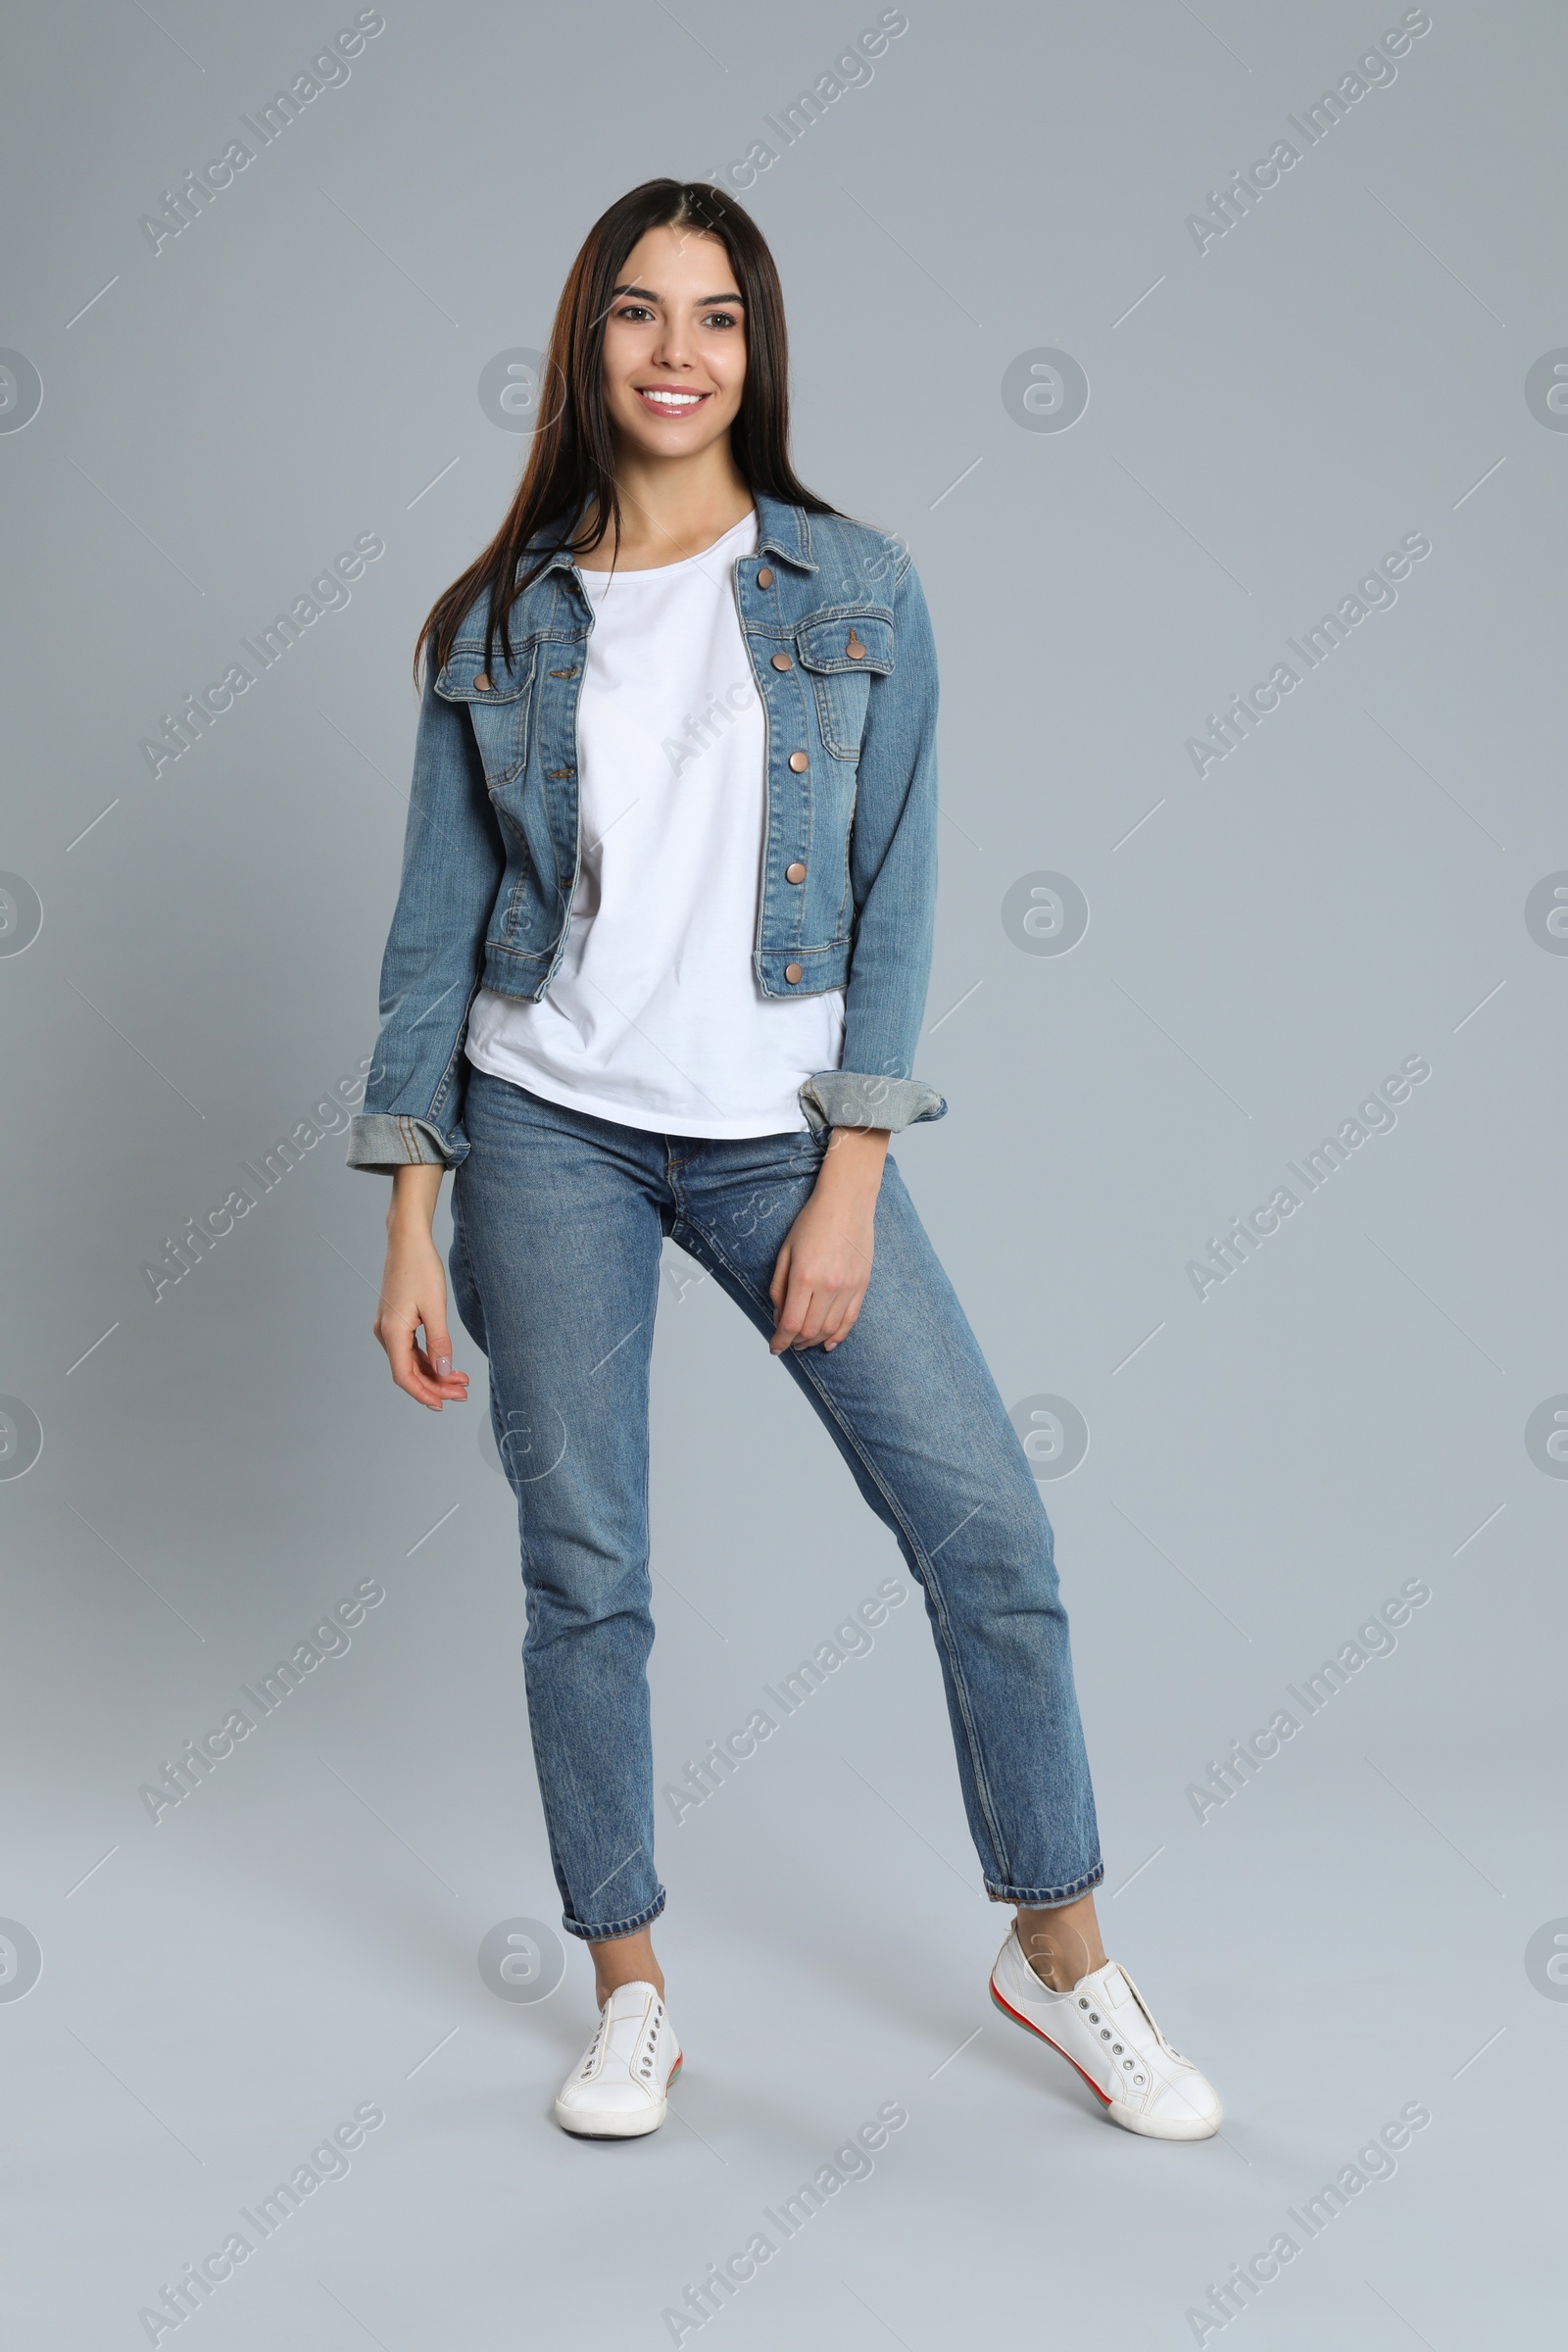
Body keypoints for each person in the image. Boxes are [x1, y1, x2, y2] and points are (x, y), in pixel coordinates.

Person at [348, 178, 1220, 2145]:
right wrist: (412, 1208)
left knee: (985, 1528)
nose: (678, 353)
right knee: (587, 1570)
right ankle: (628, 1987)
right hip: (543, 1128)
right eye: (641, 315)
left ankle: (1062, 1957)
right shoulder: (497, 628)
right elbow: (430, 932)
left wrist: (847, 1174)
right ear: (586, 345)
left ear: (757, 350)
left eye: (716, 317)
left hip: (770, 1146)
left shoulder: (854, 589)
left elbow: (896, 905)